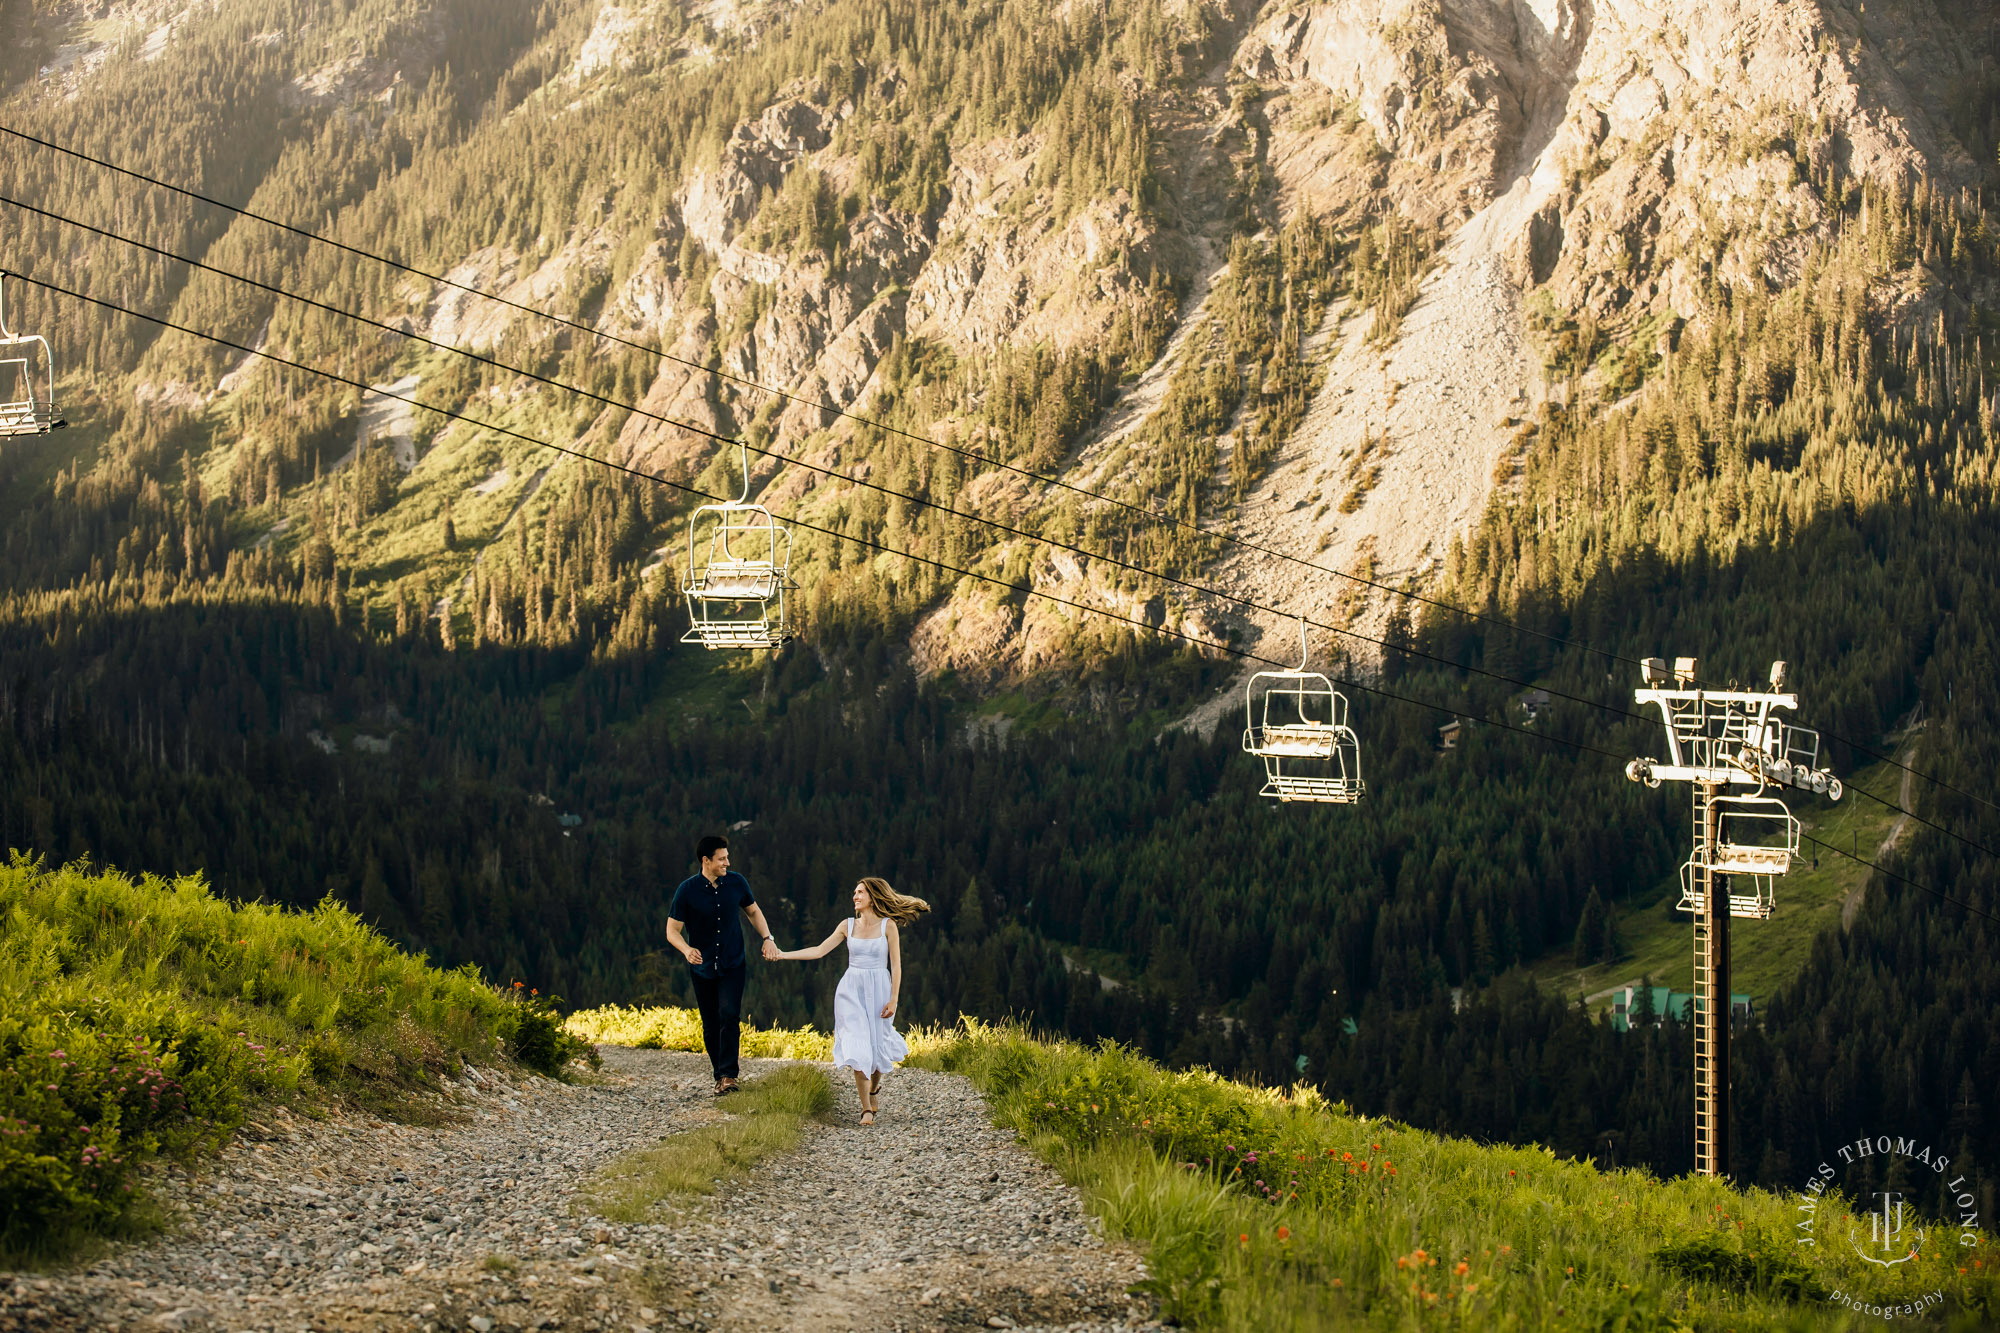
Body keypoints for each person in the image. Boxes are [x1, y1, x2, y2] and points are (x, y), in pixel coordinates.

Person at [771, 876, 929, 1125]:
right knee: (857, 1044)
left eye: (859, 893)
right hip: (850, 990)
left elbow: (896, 965)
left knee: (877, 1046)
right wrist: (782, 955)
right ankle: (866, 1108)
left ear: (872, 897)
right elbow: (819, 950)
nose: (854, 896)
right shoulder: (847, 925)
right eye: (854, 893)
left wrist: (894, 999)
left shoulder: (888, 926)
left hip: (879, 989)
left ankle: (874, 1090)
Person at [667, 835, 780, 1095]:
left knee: (729, 1015)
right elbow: (672, 930)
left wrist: (768, 938)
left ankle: (729, 1076)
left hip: (733, 963)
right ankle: (719, 1074)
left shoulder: (736, 882)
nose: (727, 862)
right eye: (722, 859)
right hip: (702, 966)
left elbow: (753, 911)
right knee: (710, 1022)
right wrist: (686, 950)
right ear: (706, 861)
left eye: (727, 857)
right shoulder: (687, 890)